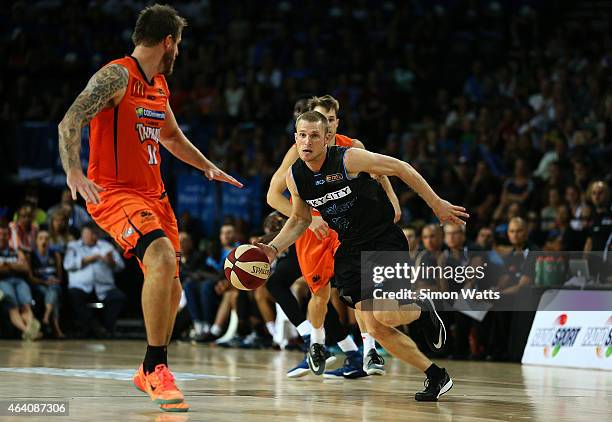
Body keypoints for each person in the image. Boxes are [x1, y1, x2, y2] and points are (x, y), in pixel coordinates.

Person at [57, 4, 241, 412]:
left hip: (156, 198)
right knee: (158, 256)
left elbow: (172, 138)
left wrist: (207, 166)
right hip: (115, 193)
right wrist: (73, 171)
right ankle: (155, 367)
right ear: (169, 42)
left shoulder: (158, 84)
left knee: (171, 284)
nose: (180, 53)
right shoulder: (116, 75)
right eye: (180, 45)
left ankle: (149, 371)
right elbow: (70, 121)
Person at [257, 111, 468, 401]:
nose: (307, 141)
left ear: (327, 138)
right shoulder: (296, 177)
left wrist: (436, 203)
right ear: (295, 138)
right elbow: (299, 220)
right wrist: (273, 249)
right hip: (350, 248)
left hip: (383, 240)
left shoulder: (348, 159)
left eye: (314, 135)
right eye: (302, 135)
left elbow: (401, 167)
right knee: (376, 328)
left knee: (383, 313)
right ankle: (436, 375)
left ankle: (423, 309)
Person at [267, 95, 397, 379]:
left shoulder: (353, 148)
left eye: (329, 120)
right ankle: (316, 345)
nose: (321, 127)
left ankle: (368, 350)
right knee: (317, 291)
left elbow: (383, 173)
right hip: (314, 229)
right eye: (316, 120)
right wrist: (311, 218)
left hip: (347, 226)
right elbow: (272, 195)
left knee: (359, 289)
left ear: (335, 124)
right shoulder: (299, 152)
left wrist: (393, 203)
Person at [63, 224, 126, 337]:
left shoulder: (106, 247)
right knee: (73, 295)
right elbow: (67, 265)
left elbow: (120, 266)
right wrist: (89, 259)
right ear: (83, 235)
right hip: (81, 287)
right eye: (88, 234)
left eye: (94, 234)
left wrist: (111, 261)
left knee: (118, 297)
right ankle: (93, 327)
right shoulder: (73, 246)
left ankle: (106, 329)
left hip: (104, 287)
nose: (92, 237)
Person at [0, 220, 41, 340]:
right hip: (3, 282)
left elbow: (25, 267)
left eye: (5, 234)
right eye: (0, 234)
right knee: (13, 306)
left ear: (9, 235)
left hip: (19, 281)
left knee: (26, 306)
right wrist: (14, 266)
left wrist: (6, 265)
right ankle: (29, 331)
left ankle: (29, 330)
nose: (2, 237)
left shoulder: (16, 250)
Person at [29, 229, 65, 338]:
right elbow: (31, 278)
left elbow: (60, 277)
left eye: (46, 239)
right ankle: (55, 326)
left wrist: (55, 280)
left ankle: (46, 317)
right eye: (41, 238)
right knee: (52, 295)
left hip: (54, 285)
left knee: (53, 289)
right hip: (39, 285)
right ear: (36, 241)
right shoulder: (31, 256)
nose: (44, 241)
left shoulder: (55, 255)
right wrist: (44, 282)